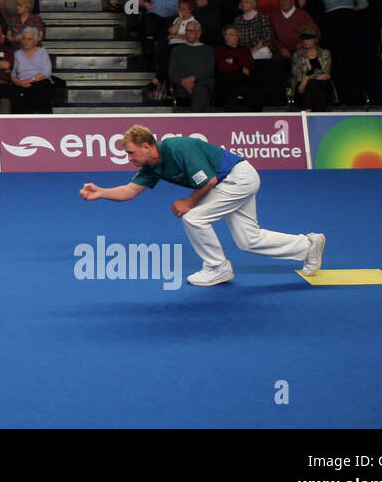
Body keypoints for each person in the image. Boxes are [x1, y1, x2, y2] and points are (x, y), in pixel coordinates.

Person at [78, 124, 326, 287]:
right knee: (248, 239)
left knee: (194, 217)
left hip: (238, 178)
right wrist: (101, 192)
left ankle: (217, 267)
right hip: (228, 185)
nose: (129, 158)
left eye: (131, 153)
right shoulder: (151, 166)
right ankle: (307, 246)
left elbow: (209, 180)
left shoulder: (177, 147)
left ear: (146, 146)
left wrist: (188, 202)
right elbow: (130, 191)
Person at [168, 19, 214, 111]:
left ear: (199, 33)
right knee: (200, 91)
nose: (188, 33)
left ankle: (196, 121)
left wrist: (193, 79)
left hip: (204, 84)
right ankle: (198, 122)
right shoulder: (178, 50)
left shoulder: (209, 50)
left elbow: (209, 70)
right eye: (187, 31)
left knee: (200, 88)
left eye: (191, 31)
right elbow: (172, 72)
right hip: (182, 85)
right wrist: (184, 82)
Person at [215, 24, 260, 111]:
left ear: (238, 37)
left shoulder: (245, 50)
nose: (228, 37)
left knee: (255, 99)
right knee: (230, 97)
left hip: (242, 80)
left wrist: (235, 62)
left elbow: (250, 66)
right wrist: (241, 68)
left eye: (231, 35)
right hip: (227, 79)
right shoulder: (220, 49)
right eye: (226, 35)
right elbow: (222, 67)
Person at [291, 26, 333, 111]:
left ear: (315, 39)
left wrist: (307, 78)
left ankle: (308, 110)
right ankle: (316, 113)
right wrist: (307, 79)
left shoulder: (325, 53)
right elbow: (297, 74)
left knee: (313, 84)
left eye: (308, 39)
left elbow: (325, 73)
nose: (305, 41)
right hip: (302, 87)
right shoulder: (298, 55)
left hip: (322, 85)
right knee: (312, 85)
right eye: (304, 39)